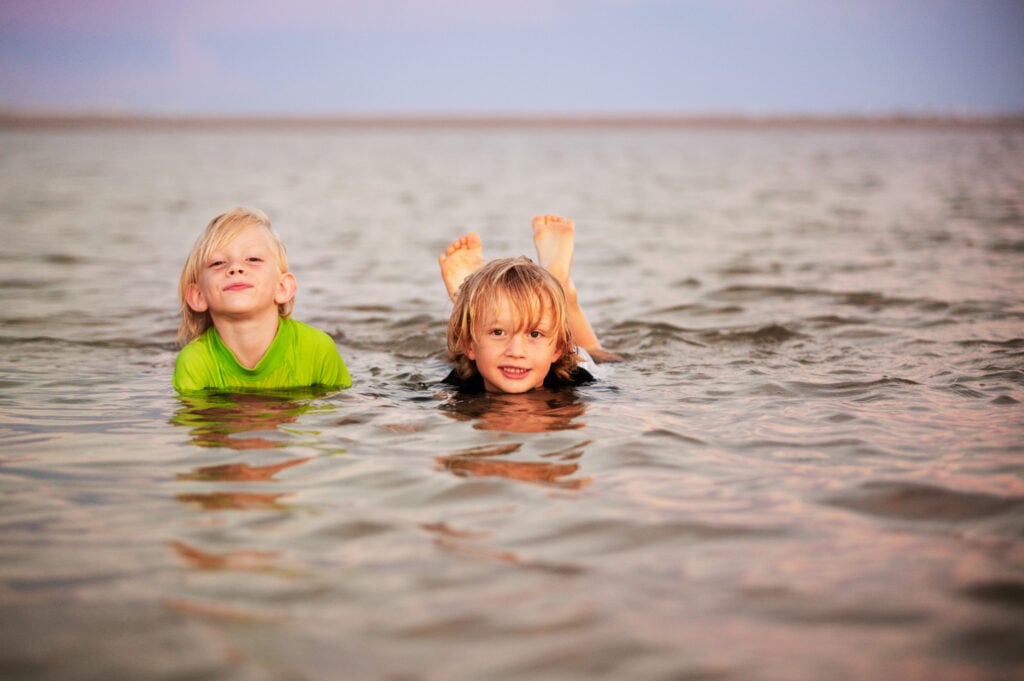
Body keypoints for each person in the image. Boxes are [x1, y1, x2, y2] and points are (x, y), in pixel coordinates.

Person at [173, 207, 351, 394]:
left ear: (283, 288)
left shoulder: (317, 350)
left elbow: (343, 411)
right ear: (198, 296)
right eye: (218, 263)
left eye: (253, 259)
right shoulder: (194, 363)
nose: (235, 268)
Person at [438, 214, 619, 394]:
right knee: (461, 349)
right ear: (470, 346)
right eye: (498, 332)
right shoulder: (458, 386)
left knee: (595, 354)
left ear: (557, 349)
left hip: (571, 365)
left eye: (534, 334)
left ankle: (561, 286)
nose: (516, 352)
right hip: (474, 360)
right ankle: (470, 297)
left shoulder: (579, 381)